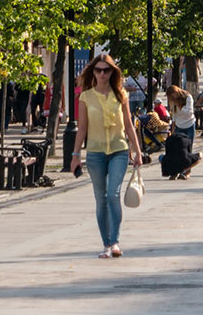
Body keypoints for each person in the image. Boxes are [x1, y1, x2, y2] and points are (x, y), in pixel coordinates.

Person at [70, 53, 144, 258]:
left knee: (113, 194)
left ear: (113, 72)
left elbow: (129, 125)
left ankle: (115, 242)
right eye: (98, 70)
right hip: (95, 153)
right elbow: (82, 128)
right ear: (93, 71)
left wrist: (137, 151)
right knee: (101, 199)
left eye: (106, 70)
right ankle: (106, 244)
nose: (102, 74)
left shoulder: (121, 94)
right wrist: (75, 154)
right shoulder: (85, 97)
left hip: (119, 150)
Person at [166, 85, 200, 178]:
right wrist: (173, 129)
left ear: (176, 92)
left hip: (189, 124)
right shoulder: (173, 101)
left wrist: (178, 105)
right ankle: (176, 171)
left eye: (173, 96)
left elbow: (188, 112)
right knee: (177, 150)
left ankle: (186, 171)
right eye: (171, 98)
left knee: (188, 149)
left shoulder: (187, 97)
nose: (173, 98)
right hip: (179, 126)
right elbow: (174, 115)